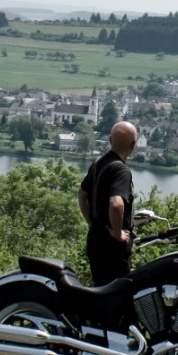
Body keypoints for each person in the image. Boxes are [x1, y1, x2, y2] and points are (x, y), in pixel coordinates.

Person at [77, 121, 138, 285]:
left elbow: (82, 194)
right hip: (113, 249)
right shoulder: (121, 170)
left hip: (95, 240)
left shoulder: (98, 163)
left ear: (110, 140)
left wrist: (92, 222)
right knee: (118, 295)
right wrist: (117, 233)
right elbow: (116, 204)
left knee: (101, 292)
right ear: (134, 144)